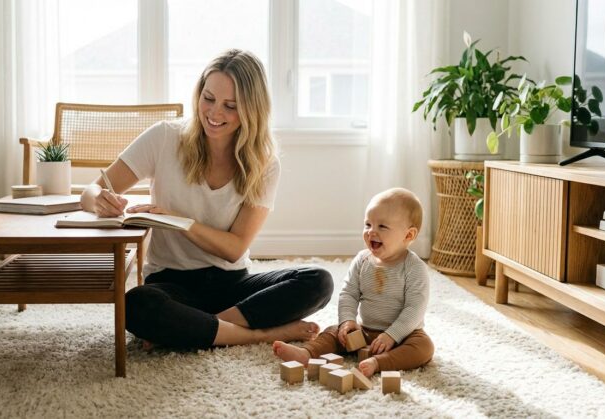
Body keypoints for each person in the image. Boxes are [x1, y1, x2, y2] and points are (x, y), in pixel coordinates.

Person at [80, 49, 333, 350]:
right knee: (137, 305)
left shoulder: (264, 162)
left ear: (252, 110)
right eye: (208, 98)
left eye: (231, 106)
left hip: (232, 283)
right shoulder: (164, 137)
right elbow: (89, 192)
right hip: (170, 281)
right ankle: (258, 335)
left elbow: (234, 248)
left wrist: (179, 222)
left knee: (319, 281)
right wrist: (101, 200)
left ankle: (198, 326)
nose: (214, 114)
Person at [273, 188, 434, 377]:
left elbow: (414, 308)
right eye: (367, 224)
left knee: (424, 347)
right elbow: (349, 293)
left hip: (404, 335)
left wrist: (392, 335)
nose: (371, 231)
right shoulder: (362, 260)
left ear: (408, 236)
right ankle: (307, 353)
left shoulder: (414, 268)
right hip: (364, 331)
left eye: (382, 226)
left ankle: (379, 362)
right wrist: (347, 321)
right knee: (332, 333)